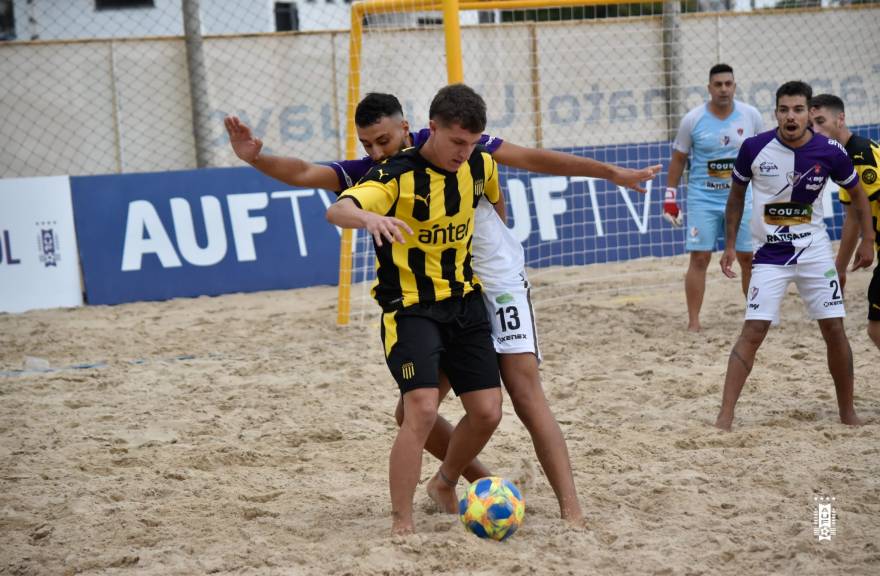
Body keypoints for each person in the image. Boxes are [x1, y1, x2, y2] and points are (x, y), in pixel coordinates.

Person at [227, 93, 660, 525]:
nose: (376, 151)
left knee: (523, 392)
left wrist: (609, 173)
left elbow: (529, 163)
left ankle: (572, 512)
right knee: (415, 412)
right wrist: (257, 160)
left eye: (382, 140)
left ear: (409, 127)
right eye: (367, 145)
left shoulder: (462, 146)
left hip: (494, 281)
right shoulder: (384, 173)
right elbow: (308, 175)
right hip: (441, 292)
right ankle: (460, 480)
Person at [326, 84, 503, 535]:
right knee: (419, 409)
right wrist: (369, 218)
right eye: (456, 142)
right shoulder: (395, 173)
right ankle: (401, 523)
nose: (465, 152)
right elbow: (338, 210)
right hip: (410, 308)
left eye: (471, 142)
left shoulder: (481, 163)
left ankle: (444, 483)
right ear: (431, 129)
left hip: (465, 302)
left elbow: (497, 208)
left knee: (487, 412)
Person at [715, 81, 875, 431]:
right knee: (753, 331)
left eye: (798, 110)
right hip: (770, 255)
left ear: (808, 113)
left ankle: (847, 412)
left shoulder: (830, 150)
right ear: (776, 113)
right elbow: (736, 199)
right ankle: (725, 416)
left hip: (815, 253)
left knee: (834, 328)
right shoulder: (754, 148)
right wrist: (729, 246)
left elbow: (858, 195)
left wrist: (868, 239)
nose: (791, 116)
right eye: (784, 109)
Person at [663, 64, 763, 332]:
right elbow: (678, 160)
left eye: (728, 84)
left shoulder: (751, 116)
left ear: (734, 86)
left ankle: (755, 315)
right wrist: (669, 198)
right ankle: (694, 322)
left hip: (742, 198)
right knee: (699, 259)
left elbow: (763, 156)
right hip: (702, 199)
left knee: (748, 258)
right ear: (709, 88)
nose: (723, 89)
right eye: (718, 84)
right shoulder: (692, 120)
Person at [808, 94, 880, 352]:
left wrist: (868, 241)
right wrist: (839, 269)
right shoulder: (841, 157)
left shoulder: (860, 155)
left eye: (820, 121)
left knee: (876, 329)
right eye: (811, 124)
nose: (815, 130)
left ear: (841, 119)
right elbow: (853, 217)